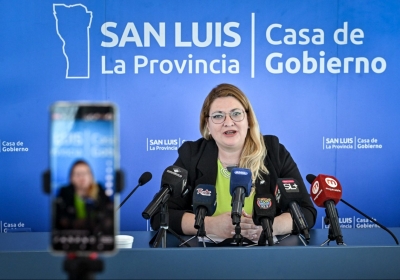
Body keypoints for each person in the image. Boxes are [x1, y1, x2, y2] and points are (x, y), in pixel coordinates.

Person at [151, 83, 317, 241]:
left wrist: (269, 227)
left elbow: (306, 212)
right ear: (207, 124)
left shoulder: (274, 152)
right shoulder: (192, 155)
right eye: (218, 116)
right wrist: (209, 225)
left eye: (236, 113)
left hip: (265, 256)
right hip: (205, 259)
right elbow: (160, 215)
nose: (228, 122)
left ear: (249, 119)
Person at [55, 160, 112, 233]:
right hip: (73, 235)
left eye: (85, 173)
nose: (82, 177)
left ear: (91, 176)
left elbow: (109, 217)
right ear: (71, 178)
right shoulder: (64, 193)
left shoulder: (99, 191)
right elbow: (60, 220)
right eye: (78, 174)